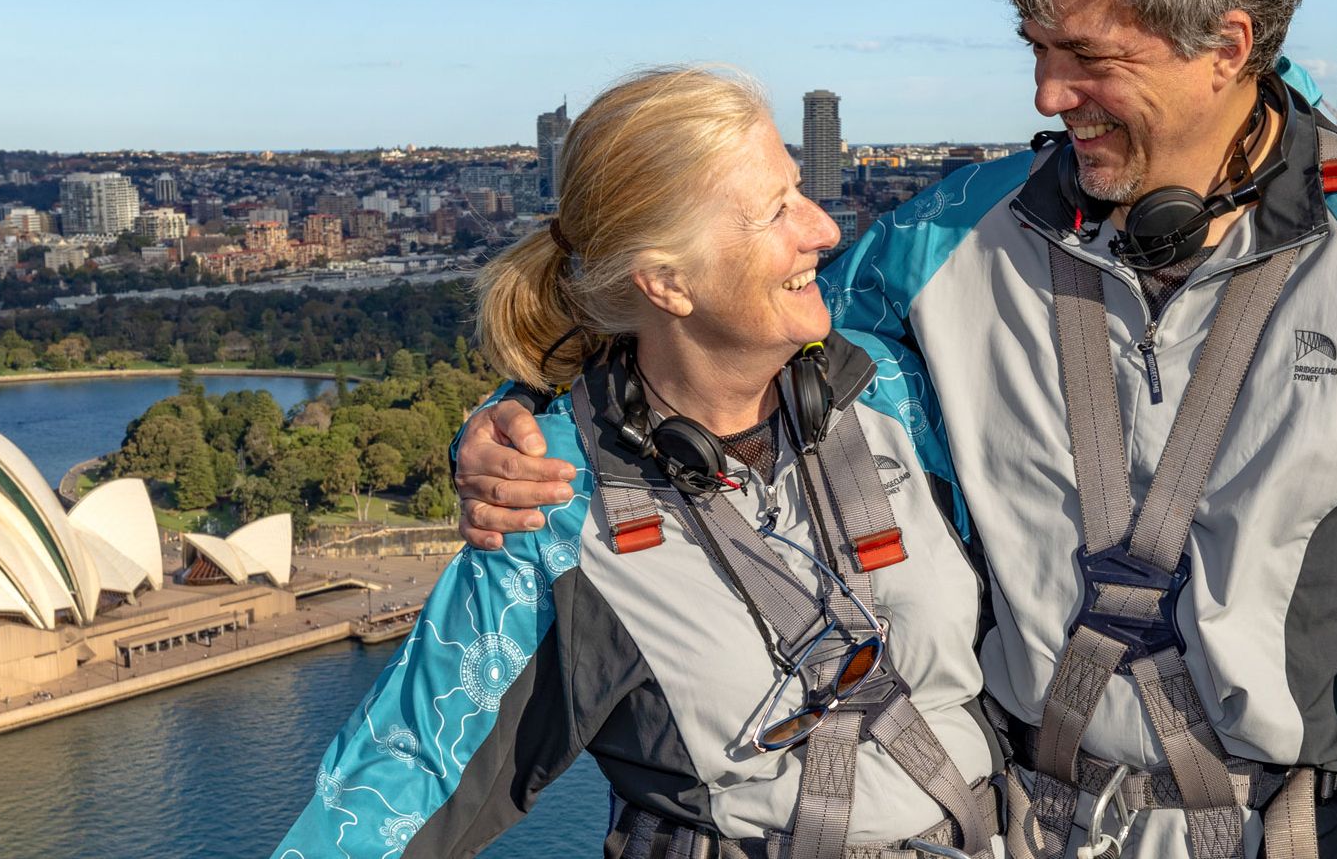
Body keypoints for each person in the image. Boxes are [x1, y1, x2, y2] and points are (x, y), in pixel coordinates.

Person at [452, 0, 1337, 858]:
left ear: (1225, 46)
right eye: (1035, 47)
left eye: (1089, 58)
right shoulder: (943, 239)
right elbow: (719, 341)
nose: (1046, 95)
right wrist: (524, 412)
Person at [276, 68, 1002, 858]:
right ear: (665, 280)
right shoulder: (553, 502)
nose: (824, 229)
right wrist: (532, 416)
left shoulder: (893, 390)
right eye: (776, 210)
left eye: (799, 188)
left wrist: (513, 397)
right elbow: (403, 778)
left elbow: (1029, 194)